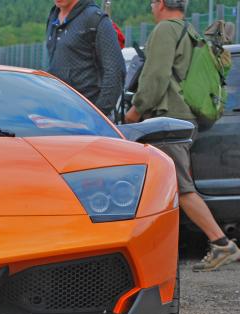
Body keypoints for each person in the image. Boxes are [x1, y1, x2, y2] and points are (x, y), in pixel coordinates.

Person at [125, 0, 240, 271]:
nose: (152, 7)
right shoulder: (190, 31)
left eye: (153, 2)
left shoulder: (165, 30)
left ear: (162, 3)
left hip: (170, 119)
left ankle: (222, 244)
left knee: (181, 186)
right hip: (187, 116)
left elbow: (156, 76)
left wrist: (134, 111)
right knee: (174, 185)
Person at [46, 0, 126, 116]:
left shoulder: (95, 19)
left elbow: (115, 71)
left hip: (87, 118)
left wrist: (98, 116)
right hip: (58, 114)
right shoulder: (53, 16)